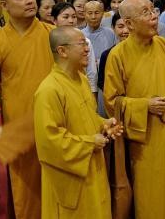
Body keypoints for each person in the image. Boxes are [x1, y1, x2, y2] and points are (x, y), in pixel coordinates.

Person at [104, 0, 165, 219]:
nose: (154, 17)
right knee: (153, 195)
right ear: (128, 24)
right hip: (146, 138)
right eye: (145, 13)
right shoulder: (117, 56)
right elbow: (112, 102)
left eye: (153, 10)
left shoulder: (164, 44)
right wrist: (144, 106)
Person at [0, 0, 55, 218]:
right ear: (4, 5)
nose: (29, 1)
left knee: (58, 183)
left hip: (55, 122)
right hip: (21, 126)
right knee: (26, 189)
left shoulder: (53, 35)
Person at [34, 26, 123, 219]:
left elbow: (84, 117)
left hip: (91, 167)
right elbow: (49, 142)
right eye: (81, 44)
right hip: (70, 176)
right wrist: (90, 142)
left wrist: (103, 124)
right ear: (62, 51)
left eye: (87, 43)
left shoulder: (81, 80)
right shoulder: (49, 90)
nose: (87, 49)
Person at [52, 2, 98, 98]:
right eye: (66, 17)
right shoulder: (49, 41)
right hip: (56, 90)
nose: (71, 21)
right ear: (54, 20)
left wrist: (93, 95)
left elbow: (91, 72)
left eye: (74, 17)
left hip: (80, 89)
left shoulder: (85, 41)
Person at [97, 12, 129, 92]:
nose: (125, 31)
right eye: (120, 27)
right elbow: (102, 82)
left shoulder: (141, 51)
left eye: (128, 26)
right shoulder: (106, 55)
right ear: (113, 28)